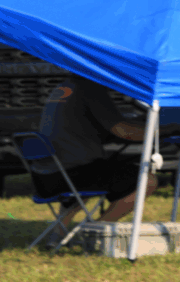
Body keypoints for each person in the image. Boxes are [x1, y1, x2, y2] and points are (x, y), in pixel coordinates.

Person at [33, 75, 158, 244]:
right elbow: (123, 131)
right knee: (147, 180)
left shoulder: (64, 87)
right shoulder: (91, 89)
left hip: (46, 177)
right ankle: (96, 232)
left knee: (94, 173)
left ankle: (58, 233)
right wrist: (161, 130)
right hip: (71, 175)